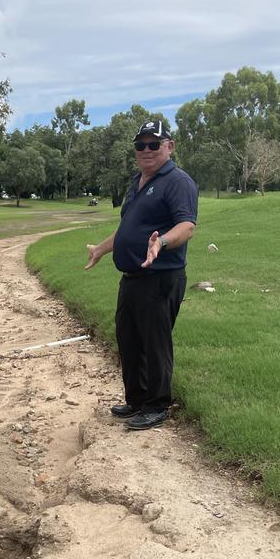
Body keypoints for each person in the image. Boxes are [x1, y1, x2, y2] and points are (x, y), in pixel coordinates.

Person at [85, 119, 198, 431]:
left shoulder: (178, 181)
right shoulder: (138, 182)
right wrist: (102, 249)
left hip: (160, 277)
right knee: (129, 339)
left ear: (169, 146)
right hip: (132, 278)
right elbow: (126, 230)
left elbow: (187, 226)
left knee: (155, 342)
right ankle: (136, 400)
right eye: (140, 145)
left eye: (154, 144)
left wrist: (161, 242)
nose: (146, 150)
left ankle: (157, 405)